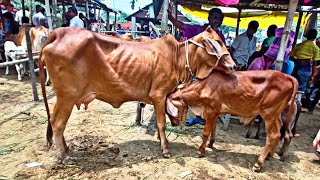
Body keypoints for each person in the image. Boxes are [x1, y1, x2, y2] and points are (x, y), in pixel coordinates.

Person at [168, 7, 226, 126]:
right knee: (187, 91)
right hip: (193, 69)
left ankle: (201, 116)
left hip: (210, 70)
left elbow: (222, 53)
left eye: (219, 19)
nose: (217, 21)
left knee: (206, 94)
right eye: (214, 18)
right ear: (209, 18)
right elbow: (182, 26)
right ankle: (180, 112)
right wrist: (171, 17)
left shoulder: (221, 36)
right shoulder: (199, 30)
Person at [290, 29, 319, 93]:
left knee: (293, 85)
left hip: (296, 67)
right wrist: (313, 75)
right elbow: (315, 63)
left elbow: (291, 57)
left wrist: (297, 60)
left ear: (307, 36)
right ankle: (298, 100)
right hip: (306, 69)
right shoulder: (315, 48)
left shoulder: (298, 45)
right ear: (315, 37)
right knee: (301, 87)